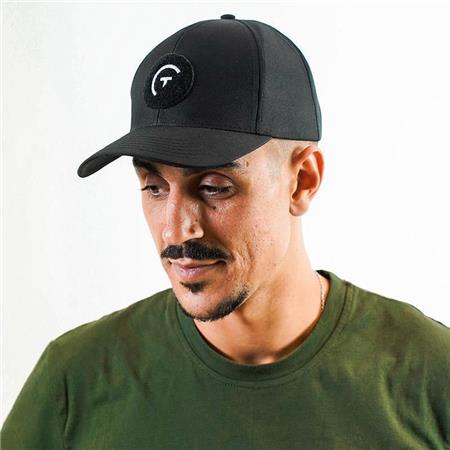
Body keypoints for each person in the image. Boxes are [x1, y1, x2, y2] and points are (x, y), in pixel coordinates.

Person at [2, 14, 449, 450]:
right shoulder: (75, 383)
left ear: (302, 181)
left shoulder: (432, 377)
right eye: (154, 187)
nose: (176, 228)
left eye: (215, 186)